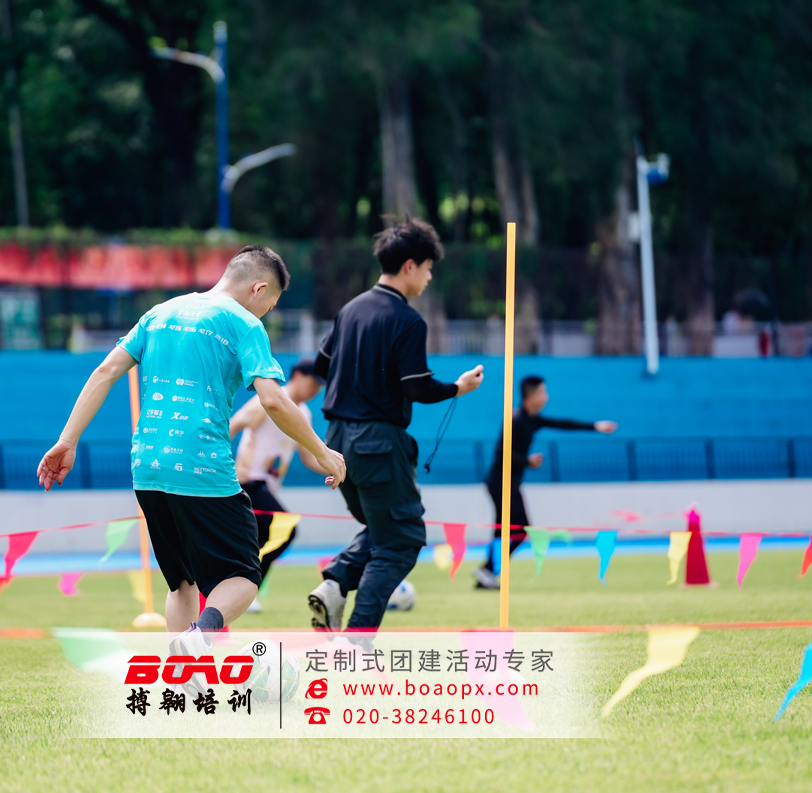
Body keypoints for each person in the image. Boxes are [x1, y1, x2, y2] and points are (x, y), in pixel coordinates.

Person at [35, 245, 346, 661]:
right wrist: (323, 452)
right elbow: (273, 400)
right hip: (201, 466)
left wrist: (68, 440)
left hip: (147, 466)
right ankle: (199, 638)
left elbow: (106, 371)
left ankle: (182, 677)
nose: (265, 314)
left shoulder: (159, 313)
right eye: (269, 305)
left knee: (181, 582)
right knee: (243, 577)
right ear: (259, 289)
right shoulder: (244, 324)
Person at [308, 218, 485, 633]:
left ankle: (335, 584)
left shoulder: (349, 310)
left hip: (336, 440)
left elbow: (321, 366)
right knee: (401, 540)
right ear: (410, 266)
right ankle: (357, 638)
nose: (429, 277)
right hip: (377, 442)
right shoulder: (407, 320)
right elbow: (417, 387)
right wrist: (458, 388)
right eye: (428, 268)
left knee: (386, 529)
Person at [473, 375, 617, 589]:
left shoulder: (534, 419)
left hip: (510, 483)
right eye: (543, 392)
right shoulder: (515, 419)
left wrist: (595, 426)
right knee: (519, 529)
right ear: (530, 396)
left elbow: (563, 424)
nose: (546, 396)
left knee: (508, 529)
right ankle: (487, 570)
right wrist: (527, 461)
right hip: (500, 482)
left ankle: (487, 572)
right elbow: (501, 451)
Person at [229, 357, 328, 612]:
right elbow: (233, 425)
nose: (316, 390)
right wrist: (217, 464)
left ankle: (241, 594)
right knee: (284, 530)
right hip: (248, 482)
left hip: (266, 488)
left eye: (320, 386)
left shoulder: (303, 413)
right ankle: (244, 592)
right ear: (297, 376)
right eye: (314, 383)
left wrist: (336, 467)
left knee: (261, 540)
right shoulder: (270, 398)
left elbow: (308, 458)